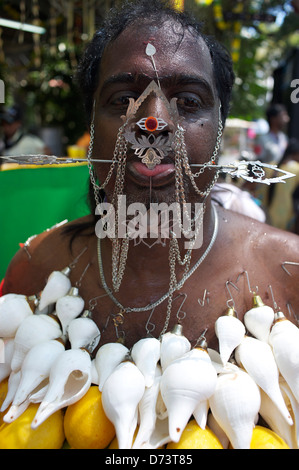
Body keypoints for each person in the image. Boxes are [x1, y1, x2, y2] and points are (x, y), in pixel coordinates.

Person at [1, 0, 298, 449]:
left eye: (188, 100)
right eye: (123, 100)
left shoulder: (289, 273)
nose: (153, 124)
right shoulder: (35, 271)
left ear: (219, 135)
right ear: (91, 128)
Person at [268, 138, 299, 231]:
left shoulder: (270, 166)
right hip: (287, 217)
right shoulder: (296, 170)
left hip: (268, 215)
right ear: (296, 154)